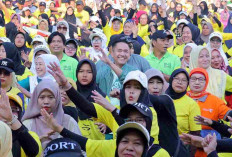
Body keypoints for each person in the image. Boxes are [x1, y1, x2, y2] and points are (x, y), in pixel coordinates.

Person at [22, 79, 82, 149]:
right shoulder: (28, 124)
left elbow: (81, 149)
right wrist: (38, 140)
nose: (46, 102)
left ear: (57, 99)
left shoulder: (69, 121)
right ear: (36, 99)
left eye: (51, 97)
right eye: (42, 97)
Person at [0, 90, 43, 157]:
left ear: (19, 113)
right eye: (1, 109)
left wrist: (11, 118)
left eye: (13, 110)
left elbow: (33, 152)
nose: (7, 112)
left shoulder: (31, 135)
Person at [76, 59, 107, 140]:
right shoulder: (71, 93)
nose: (84, 75)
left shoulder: (100, 96)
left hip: (96, 143)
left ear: (94, 74)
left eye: (89, 72)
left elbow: (111, 119)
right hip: (75, 142)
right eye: (81, 71)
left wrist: (106, 126)